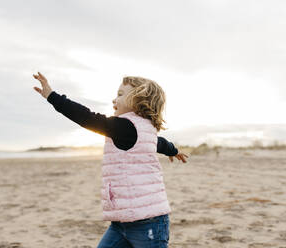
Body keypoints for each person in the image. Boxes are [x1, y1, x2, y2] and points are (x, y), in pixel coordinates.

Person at [33, 72, 189, 248]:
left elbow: (86, 117)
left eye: (121, 94)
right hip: (121, 222)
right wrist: (173, 151)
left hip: (147, 223)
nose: (115, 99)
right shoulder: (142, 129)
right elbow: (160, 143)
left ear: (138, 100)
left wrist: (52, 96)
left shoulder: (125, 127)